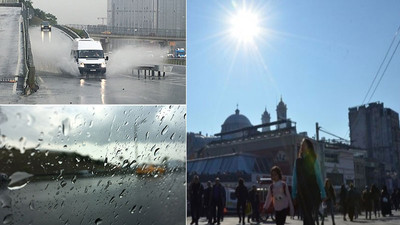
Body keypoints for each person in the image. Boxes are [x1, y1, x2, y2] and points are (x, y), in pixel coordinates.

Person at [292, 138, 326, 225]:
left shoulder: (314, 159)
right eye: (301, 144)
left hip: (313, 191)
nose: (302, 146)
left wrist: (323, 193)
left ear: (309, 147)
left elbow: (318, 177)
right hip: (302, 193)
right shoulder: (298, 161)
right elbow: (295, 178)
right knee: (306, 216)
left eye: (304, 144)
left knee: (309, 215)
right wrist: (294, 194)